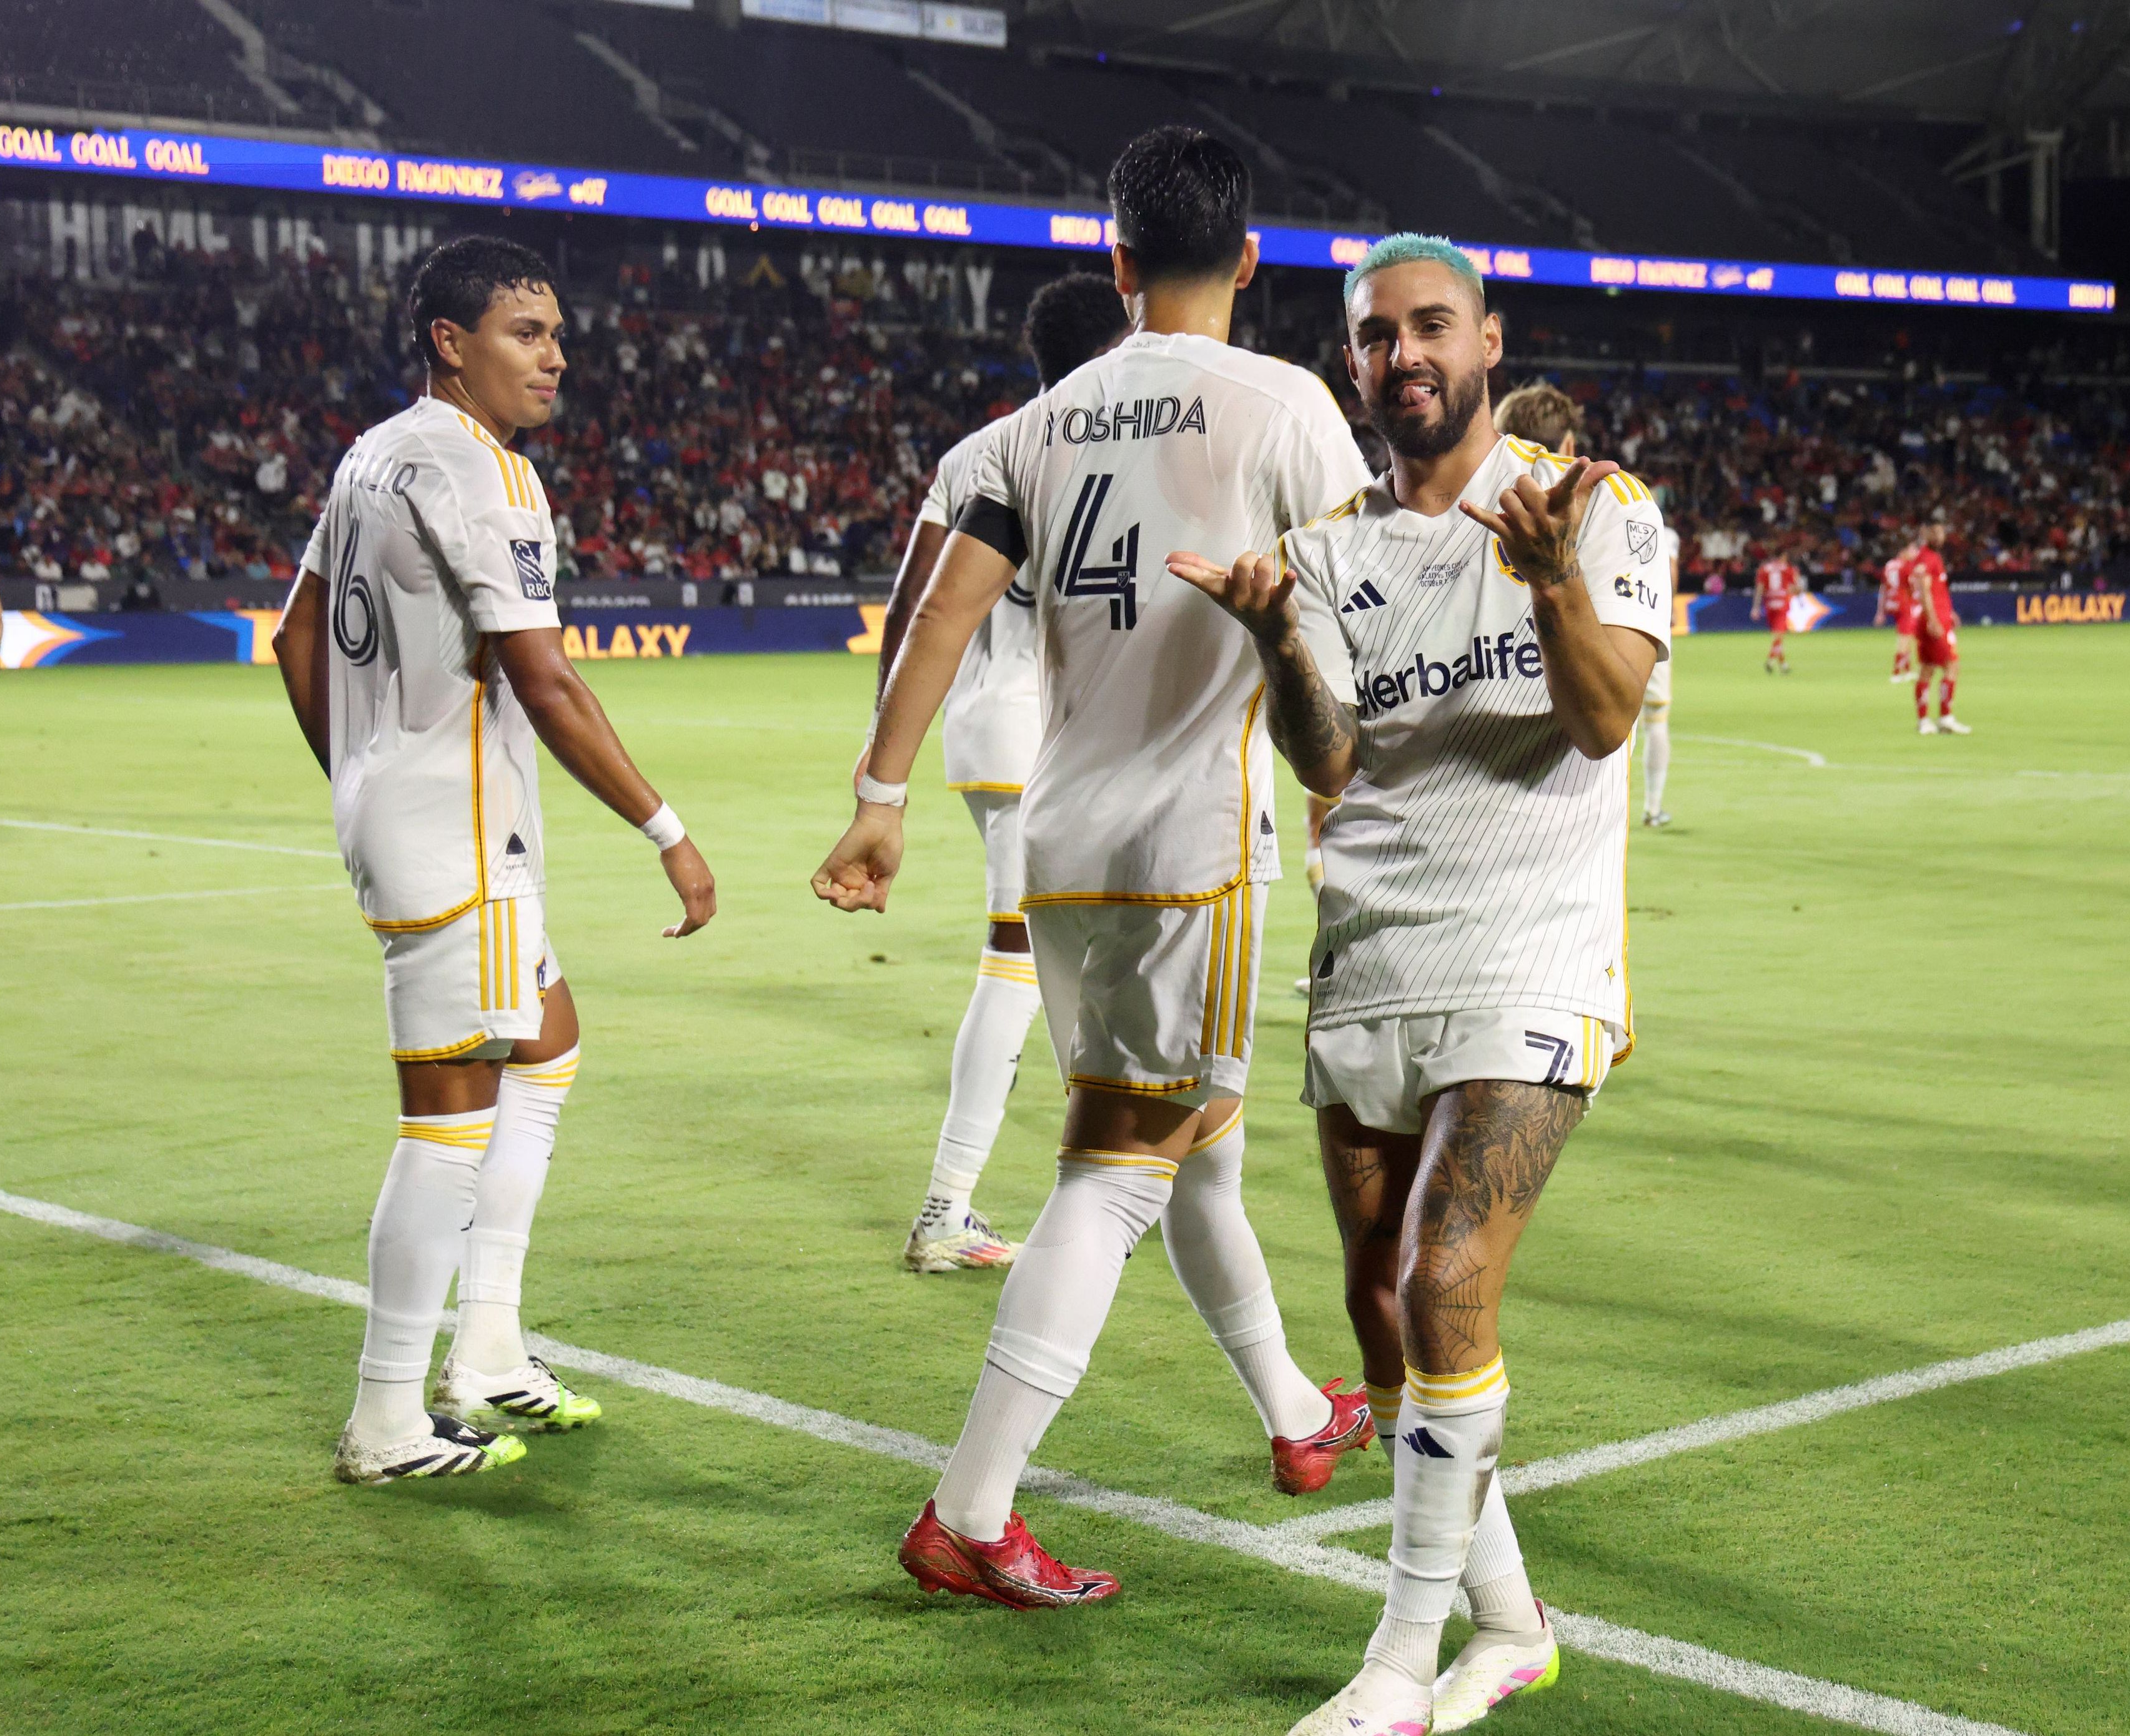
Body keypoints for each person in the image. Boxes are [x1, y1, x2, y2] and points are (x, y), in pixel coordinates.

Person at [811, 127, 1375, 1606]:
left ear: (1116, 266)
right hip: (1195, 847)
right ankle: (972, 1511)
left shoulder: (1030, 429)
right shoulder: (1286, 406)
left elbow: (939, 613)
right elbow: (1361, 617)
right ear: (1250, 260)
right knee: (1123, 1167)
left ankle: (1297, 1420)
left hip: (1057, 843)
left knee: (1198, 1147)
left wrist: (880, 796)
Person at [1165, 232, 1668, 1736]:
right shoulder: (1324, 549)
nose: (1403, 357)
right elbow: (1325, 761)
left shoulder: (1593, 507)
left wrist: (1545, 588)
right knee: (1383, 1311)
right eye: (1375, 337)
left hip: (1529, 947)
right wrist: (1270, 639)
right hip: (1370, 946)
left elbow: (1597, 724)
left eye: (1429, 327)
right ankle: (1508, 1622)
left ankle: (1395, 1665)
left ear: (1488, 341)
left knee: (1447, 1280)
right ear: (1352, 364)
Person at [272, 236, 718, 1486]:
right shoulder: (484, 473)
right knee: (446, 1127)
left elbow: (292, 635)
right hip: (456, 836)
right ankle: (385, 1420)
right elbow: (549, 677)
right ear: (450, 345)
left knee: (551, 1044)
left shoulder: (369, 455)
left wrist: (357, 774)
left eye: (559, 333)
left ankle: (489, 1347)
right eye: (527, 332)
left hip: (427, 824)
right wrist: (668, 834)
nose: (556, 357)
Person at [879, 272, 1131, 1276]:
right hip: (1056, 735)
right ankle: (948, 1203)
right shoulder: (1108, 449)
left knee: (1069, 959)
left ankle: (1111, 1174)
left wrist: (882, 767)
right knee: (1024, 964)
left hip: (983, 727)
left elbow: (913, 611)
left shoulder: (974, 451)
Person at [1492, 382, 1673, 828]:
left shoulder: (1473, 512)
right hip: (1580, 810)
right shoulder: (1611, 505)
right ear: (1569, 443)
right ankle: (1651, 807)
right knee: (1652, 721)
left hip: (1478, 801)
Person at [1909, 527, 1968, 735]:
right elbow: (1924, 590)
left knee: (1927, 669)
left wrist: (1949, 612)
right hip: (1935, 622)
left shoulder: (1925, 558)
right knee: (1952, 665)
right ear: (1929, 535)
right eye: (1938, 533)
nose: (1941, 537)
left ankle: (1924, 721)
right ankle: (1946, 717)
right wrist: (1934, 620)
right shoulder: (1929, 558)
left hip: (1932, 618)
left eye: (1943, 533)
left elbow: (1934, 590)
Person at [1753, 547, 1802, 674]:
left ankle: (1783, 665)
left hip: (1769, 605)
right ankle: (1770, 661)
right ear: (1784, 556)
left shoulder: (1764, 569)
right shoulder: (1789, 569)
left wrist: (1756, 607)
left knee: (1777, 635)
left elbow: (1760, 589)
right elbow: (1796, 589)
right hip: (1782, 604)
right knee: (1779, 636)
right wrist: (1798, 589)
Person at [1879, 542, 1919, 682]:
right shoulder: (1907, 566)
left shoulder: (1889, 565)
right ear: (1904, 551)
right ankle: (1896, 673)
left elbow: (1884, 587)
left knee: (1906, 636)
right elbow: (1912, 586)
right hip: (1905, 604)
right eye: (1913, 550)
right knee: (1905, 638)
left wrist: (1881, 611)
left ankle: (1907, 671)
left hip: (1892, 603)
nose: (1915, 553)